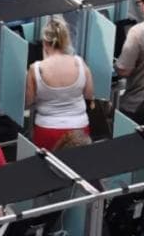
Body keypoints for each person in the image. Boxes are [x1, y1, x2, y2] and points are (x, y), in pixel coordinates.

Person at [25, 18, 94, 150]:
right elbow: (89, 94)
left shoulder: (36, 69)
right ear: (66, 41)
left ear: (45, 42)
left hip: (47, 128)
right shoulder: (79, 63)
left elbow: (28, 101)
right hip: (79, 128)